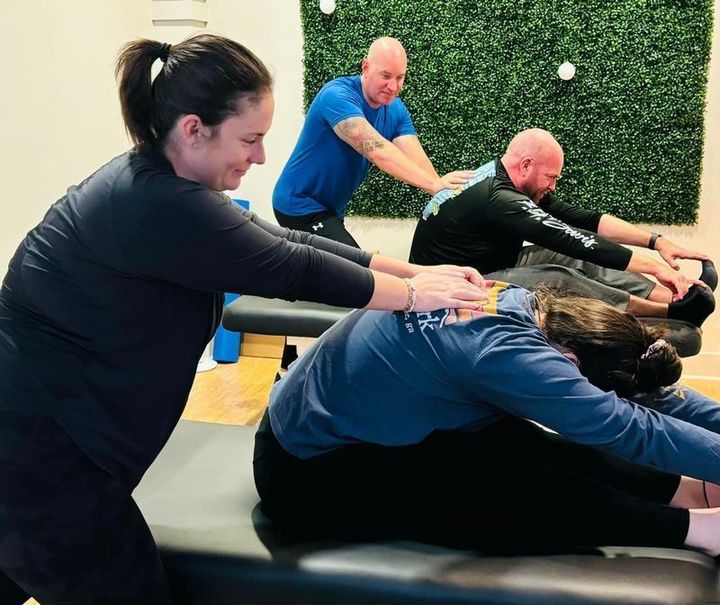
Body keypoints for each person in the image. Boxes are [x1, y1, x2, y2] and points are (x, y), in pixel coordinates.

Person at [0, 35, 488, 605]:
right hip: (41, 462)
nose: (259, 157)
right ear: (192, 129)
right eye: (250, 139)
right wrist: (411, 296)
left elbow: (282, 241)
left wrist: (414, 272)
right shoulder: (155, 204)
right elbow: (293, 269)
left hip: (52, 452)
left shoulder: (164, 187)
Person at [255, 281, 720, 557]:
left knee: (517, 437)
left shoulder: (525, 303)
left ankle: (684, 493)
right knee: (501, 473)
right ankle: (699, 531)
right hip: (303, 472)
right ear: (572, 362)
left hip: (334, 424)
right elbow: (631, 428)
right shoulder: (507, 357)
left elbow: (660, 401)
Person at [409, 128, 716, 326]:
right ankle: (671, 314)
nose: (553, 186)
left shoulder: (502, 178)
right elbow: (574, 239)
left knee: (574, 260)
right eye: (551, 177)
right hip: (452, 286)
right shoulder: (499, 198)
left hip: (485, 262)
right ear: (526, 165)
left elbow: (583, 220)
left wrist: (656, 241)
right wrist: (655, 267)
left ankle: (674, 295)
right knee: (558, 278)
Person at [272, 37, 473, 247]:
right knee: (352, 269)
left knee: (327, 271)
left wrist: (442, 190)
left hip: (329, 210)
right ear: (366, 67)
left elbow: (413, 155)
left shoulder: (396, 110)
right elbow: (376, 149)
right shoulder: (337, 96)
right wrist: (433, 185)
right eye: (386, 76)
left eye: (400, 77)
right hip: (298, 204)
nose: (393, 86)